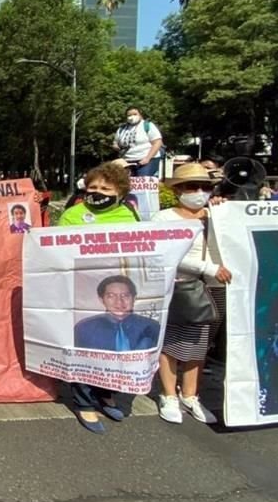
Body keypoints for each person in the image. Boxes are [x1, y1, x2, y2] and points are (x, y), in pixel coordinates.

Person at [58, 161, 138, 433]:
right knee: (85, 346)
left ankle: (106, 394)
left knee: (114, 348)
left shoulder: (129, 215)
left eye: (106, 188)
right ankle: (83, 402)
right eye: (93, 187)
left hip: (116, 293)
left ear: (120, 192)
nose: (98, 192)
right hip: (80, 291)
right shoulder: (73, 214)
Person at [153, 163, 230, 425]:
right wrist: (207, 268)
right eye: (192, 187)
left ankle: (190, 395)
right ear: (178, 190)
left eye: (205, 187)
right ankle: (168, 395)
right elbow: (165, 252)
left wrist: (223, 211)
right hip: (180, 286)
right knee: (171, 343)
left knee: (199, 345)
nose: (199, 192)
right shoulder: (163, 218)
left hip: (213, 288)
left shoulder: (218, 214)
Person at [74, 276, 160, 352]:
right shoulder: (84, 328)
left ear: (134, 298)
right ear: (101, 300)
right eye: (111, 296)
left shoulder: (153, 327)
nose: (119, 302)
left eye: (125, 295)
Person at [113, 106, 163, 176]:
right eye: (129, 115)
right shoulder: (122, 128)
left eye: (135, 114)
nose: (131, 117)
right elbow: (115, 141)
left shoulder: (148, 125)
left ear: (140, 115)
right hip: (127, 162)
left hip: (146, 161)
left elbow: (157, 142)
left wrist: (147, 158)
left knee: (142, 181)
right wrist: (115, 146)